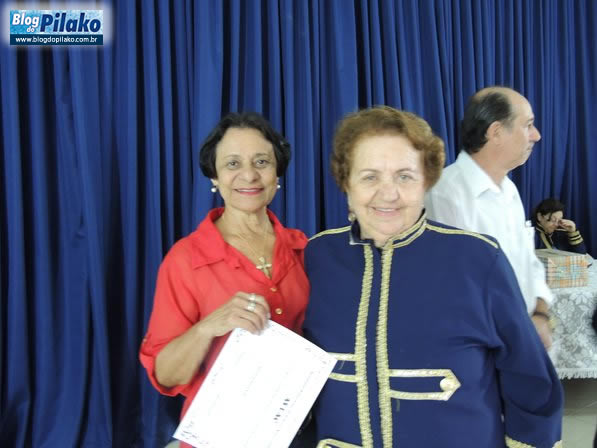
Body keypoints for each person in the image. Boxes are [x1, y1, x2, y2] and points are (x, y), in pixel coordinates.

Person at [303, 106, 563, 447]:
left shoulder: (477, 258)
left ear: (426, 180)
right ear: (345, 182)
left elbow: (530, 380)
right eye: (369, 177)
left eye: (405, 176)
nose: (388, 193)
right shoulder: (317, 256)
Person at [139, 113, 309, 447]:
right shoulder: (185, 259)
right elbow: (165, 375)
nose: (249, 175)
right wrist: (208, 327)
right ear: (214, 176)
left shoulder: (304, 249)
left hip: (299, 434)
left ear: (277, 173)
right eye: (233, 163)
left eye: (261, 162)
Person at [425, 86, 555, 349]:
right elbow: (452, 289)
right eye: (528, 125)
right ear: (495, 132)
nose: (537, 135)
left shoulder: (509, 190)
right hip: (482, 348)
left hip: (521, 341)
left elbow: (528, 264)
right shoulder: (445, 194)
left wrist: (540, 313)